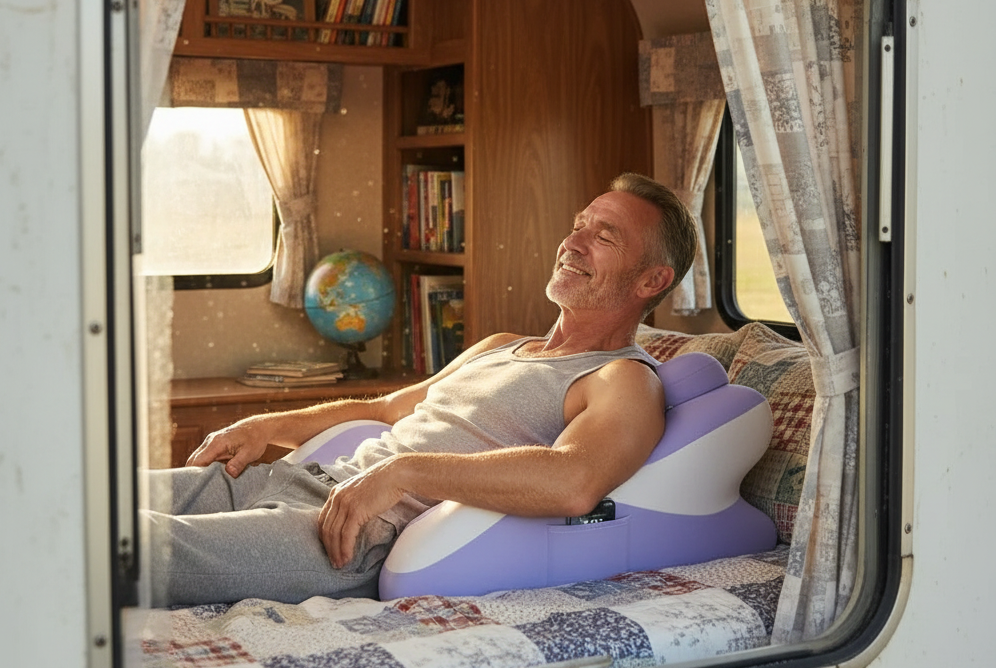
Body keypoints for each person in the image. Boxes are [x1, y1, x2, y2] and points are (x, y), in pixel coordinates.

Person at [145, 173, 697, 606]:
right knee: (100, 500)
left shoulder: (622, 379)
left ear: (651, 281)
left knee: (126, 549)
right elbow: (384, 408)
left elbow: (575, 481)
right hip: (299, 479)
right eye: (578, 225)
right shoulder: (500, 345)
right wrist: (266, 427)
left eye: (604, 237)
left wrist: (403, 473)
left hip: (350, 532)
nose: (572, 243)